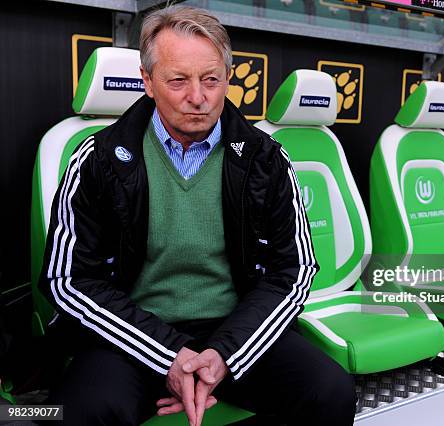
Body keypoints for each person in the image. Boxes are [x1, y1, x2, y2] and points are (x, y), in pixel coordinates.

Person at [40, 5, 356, 426]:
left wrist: (223, 356)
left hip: (235, 331)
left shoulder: (267, 160)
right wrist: (170, 356)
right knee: (74, 413)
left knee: (329, 391)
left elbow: (294, 271)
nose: (198, 97)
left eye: (211, 79)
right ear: (147, 82)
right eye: (177, 80)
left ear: (228, 78)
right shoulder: (96, 160)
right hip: (131, 337)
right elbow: (67, 280)